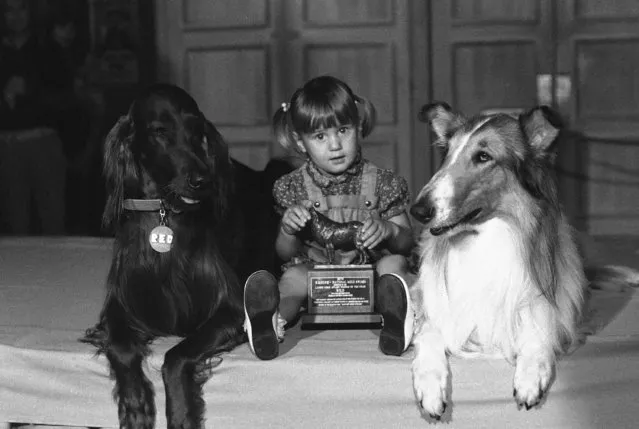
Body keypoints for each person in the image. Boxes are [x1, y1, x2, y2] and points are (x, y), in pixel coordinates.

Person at [243, 75, 416, 360]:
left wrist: (389, 231)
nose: (335, 145)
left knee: (394, 263)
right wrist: (287, 229)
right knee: (292, 278)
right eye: (320, 136)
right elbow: (284, 252)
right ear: (301, 142)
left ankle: (397, 319)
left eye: (343, 130)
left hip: (369, 277)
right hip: (318, 279)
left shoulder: (384, 183)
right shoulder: (292, 187)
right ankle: (270, 323)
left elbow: (406, 242)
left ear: (358, 128)